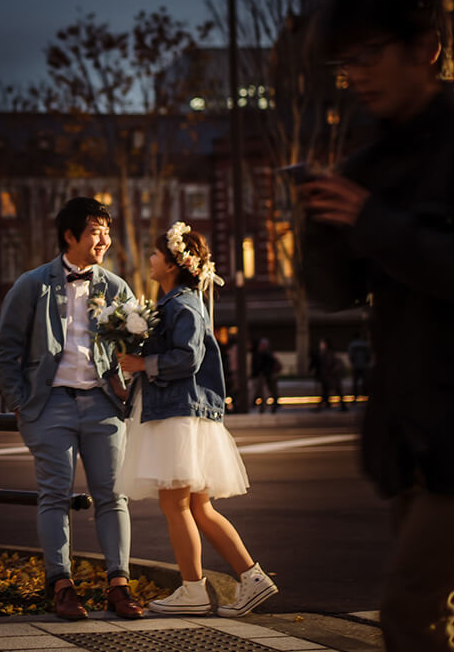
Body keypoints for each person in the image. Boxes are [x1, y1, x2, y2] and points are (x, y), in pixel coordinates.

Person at [300, 0, 454, 652]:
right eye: (346, 62)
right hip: (413, 436)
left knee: (410, 611)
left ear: (424, 48)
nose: (356, 75)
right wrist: (322, 224)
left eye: (369, 53)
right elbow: (335, 294)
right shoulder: (367, 161)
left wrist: (372, 220)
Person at [0, 197, 143, 621]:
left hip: (104, 405)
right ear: (70, 235)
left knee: (113, 497)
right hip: (49, 406)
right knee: (54, 497)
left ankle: (119, 584)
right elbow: (5, 350)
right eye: (96, 231)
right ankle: (62, 586)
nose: (104, 240)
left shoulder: (116, 287)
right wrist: (21, 403)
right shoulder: (32, 284)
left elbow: (136, 344)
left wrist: (125, 385)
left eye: (106, 231)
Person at [117, 224, 277, 618]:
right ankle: (251, 578)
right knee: (199, 508)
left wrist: (142, 362)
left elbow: (188, 358)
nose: (151, 261)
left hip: (178, 414)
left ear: (172, 263)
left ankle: (193, 590)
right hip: (183, 413)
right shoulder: (179, 302)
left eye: (156, 255)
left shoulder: (181, 304)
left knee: (177, 506)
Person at [310, 338, 346, 412]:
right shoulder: (323, 353)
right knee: (327, 392)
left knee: (333, 391)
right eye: (321, 344)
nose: (321, 346)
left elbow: (329, 365)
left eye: (322, 344)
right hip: (328, 377)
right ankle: (326, 406)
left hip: (331, 377)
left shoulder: (328, 354)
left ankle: (320, 407)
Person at [250, 338, 280, 413]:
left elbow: (269, 365)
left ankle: (265, 407)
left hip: (265, 376)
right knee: (261, 393)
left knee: (265, 393)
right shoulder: (259, 354)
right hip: (262, 376)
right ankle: (260, 407)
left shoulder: (267, 354)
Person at [346, 332, 371, 401]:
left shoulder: (352, 344)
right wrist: (366, 362)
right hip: (364, 365)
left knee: (355, 382)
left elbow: (351, 356)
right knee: (365, 381)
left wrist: (352, 363)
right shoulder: (364, 344)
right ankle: (365, 395)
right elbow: (368, 355)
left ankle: (355, 396)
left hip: (356, 366)